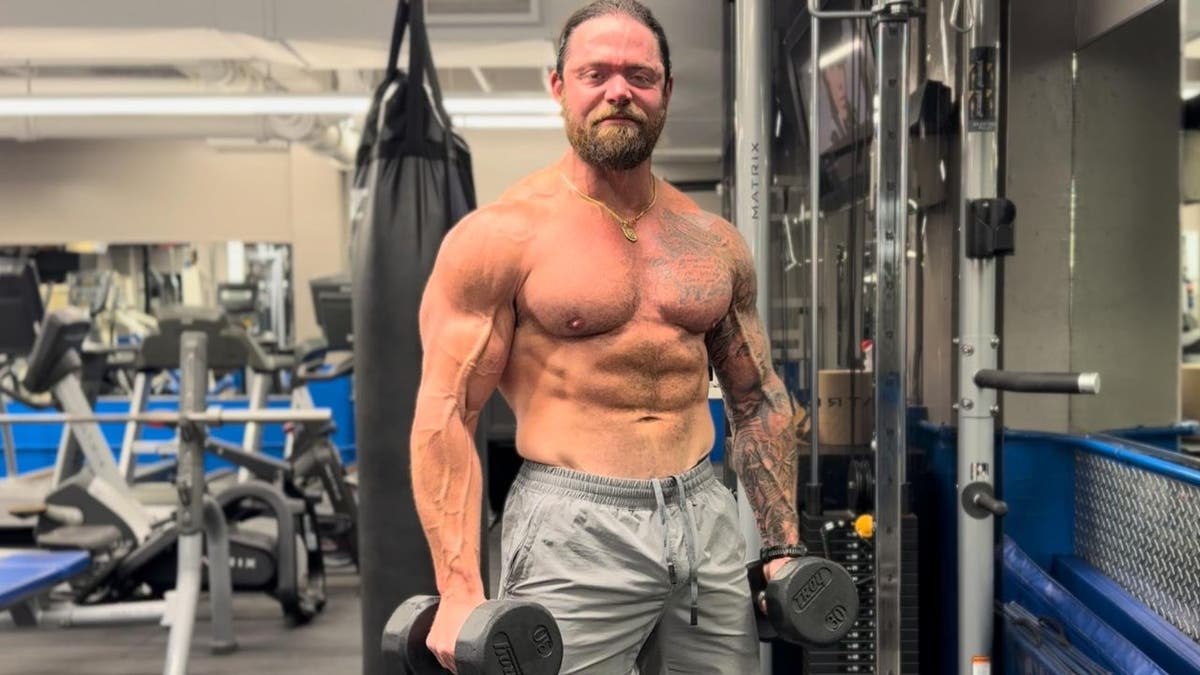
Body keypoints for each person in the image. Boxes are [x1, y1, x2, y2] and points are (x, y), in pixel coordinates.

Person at [411, 1, 802, 672]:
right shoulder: (502, 235)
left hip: (704, 514)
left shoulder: (712, 243)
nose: (618, 89)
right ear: (559, 86)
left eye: (639, 75)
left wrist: (782, 544)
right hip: (572, 524)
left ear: (665, 92)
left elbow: (757, 400)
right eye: (596, 73)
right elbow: (447, 413)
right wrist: (458, 585)